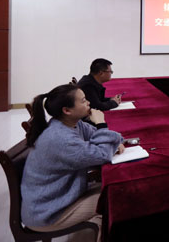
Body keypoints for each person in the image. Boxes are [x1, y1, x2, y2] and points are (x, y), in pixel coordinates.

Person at [21, 84, 124, 240]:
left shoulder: (72, 123)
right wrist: (101, 124)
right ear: (67, 110)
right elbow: (103, 154)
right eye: (83, 101)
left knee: (113, 188)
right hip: (47, 212)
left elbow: (99, 138)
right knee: (115, 199)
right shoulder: (61, 138)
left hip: (59, 197)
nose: (88, 103)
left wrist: (111, 141)